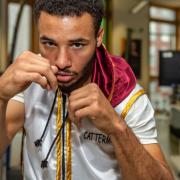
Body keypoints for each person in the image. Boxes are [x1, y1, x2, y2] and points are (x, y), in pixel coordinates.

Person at [0, 0, 174, 179]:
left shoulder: (126, 95)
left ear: (98, 37)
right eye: (49, 43)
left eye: (77, 45)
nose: (61, 62)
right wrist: (0, 95)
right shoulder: (30, 78)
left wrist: (117, 128)